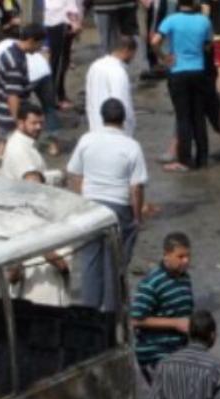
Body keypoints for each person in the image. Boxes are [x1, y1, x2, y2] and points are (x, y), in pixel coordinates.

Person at [68, 98, 149, 311]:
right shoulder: (132, 145)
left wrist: (81, 202)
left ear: (102, 118)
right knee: (115, 263)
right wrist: (137, 217)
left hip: (91, 205)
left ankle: (90, 311)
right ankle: (112, 314)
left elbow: (75, 174)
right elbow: (137, 188)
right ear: (123, 120)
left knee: (90, 261)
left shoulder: (87, 140)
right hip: (118, 208)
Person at [154, 0, 215, 171]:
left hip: (178, 70)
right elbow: (209, 43)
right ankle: (202, 157)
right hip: (198, 70)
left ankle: (184, 160)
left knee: (183, 117)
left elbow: (155, 41)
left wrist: (163, 57)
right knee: (198, 116)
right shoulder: (204, 20)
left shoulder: (171, 20)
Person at [130, 233, 195, 382]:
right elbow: (136, 320)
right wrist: (175, 323)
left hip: (179, 351)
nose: (186, 261)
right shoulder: (151, 284)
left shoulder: (185, 278)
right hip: (156, 353)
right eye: (180, 257)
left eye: (188, 256)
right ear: (167, 255)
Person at [86, 38, 139, 136]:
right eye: (133, 54)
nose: (133, 58)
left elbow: (89, 99)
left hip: (95, 128)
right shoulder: (118, 72)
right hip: (116, 133)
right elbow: (121, 104)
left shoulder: (95, 66)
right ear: (126, 50)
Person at [1, 105, 53, 179]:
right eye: (34, 123)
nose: (39, 127)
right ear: (20, 123)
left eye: (41, 123)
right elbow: (32, 182)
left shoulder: (21, 141)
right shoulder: (20, 149)